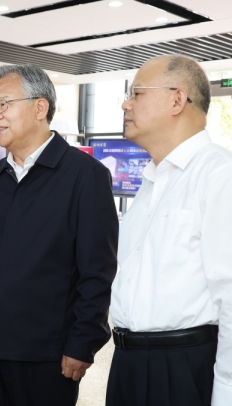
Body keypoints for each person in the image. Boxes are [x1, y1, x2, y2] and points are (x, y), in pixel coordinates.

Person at [0, 64, 118, 406]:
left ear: (40, 107)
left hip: (47, 353)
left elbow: (97, 271)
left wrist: (83, 343)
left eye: (3, 105)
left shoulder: (84, 175)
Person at [108, 55, 232, 406]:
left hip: (182, 367)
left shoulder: (219, 174)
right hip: (128, 362)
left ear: (177, 100)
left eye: (136, 93)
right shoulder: (152, 180)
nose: (125, 104)